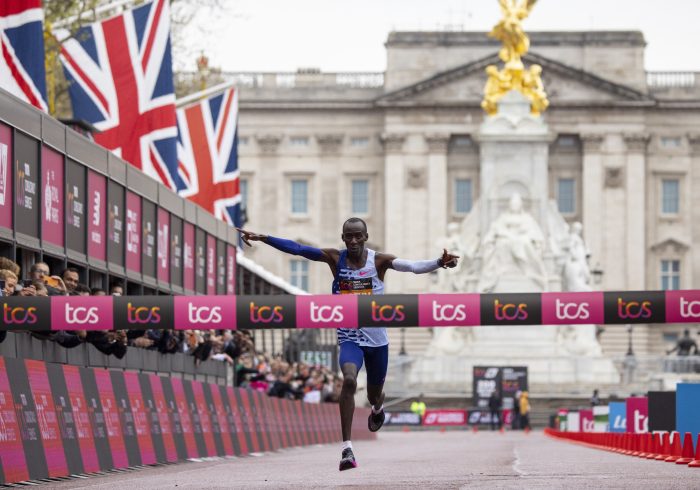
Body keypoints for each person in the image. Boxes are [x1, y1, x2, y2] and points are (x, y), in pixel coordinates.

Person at [238, 217, 458, 471]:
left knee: (374, 393)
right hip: (349, 336)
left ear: (365, 237)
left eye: (358, 236)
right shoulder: (335, 259)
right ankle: (346, 448)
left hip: (377, 341)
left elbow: (411, 266)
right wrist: (264, 238)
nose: (353, 241)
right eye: (348, 236)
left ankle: (377, 406)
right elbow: (298, 249)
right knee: (350, 380)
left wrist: (439, 263)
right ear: (343, 238)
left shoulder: (379, 261)